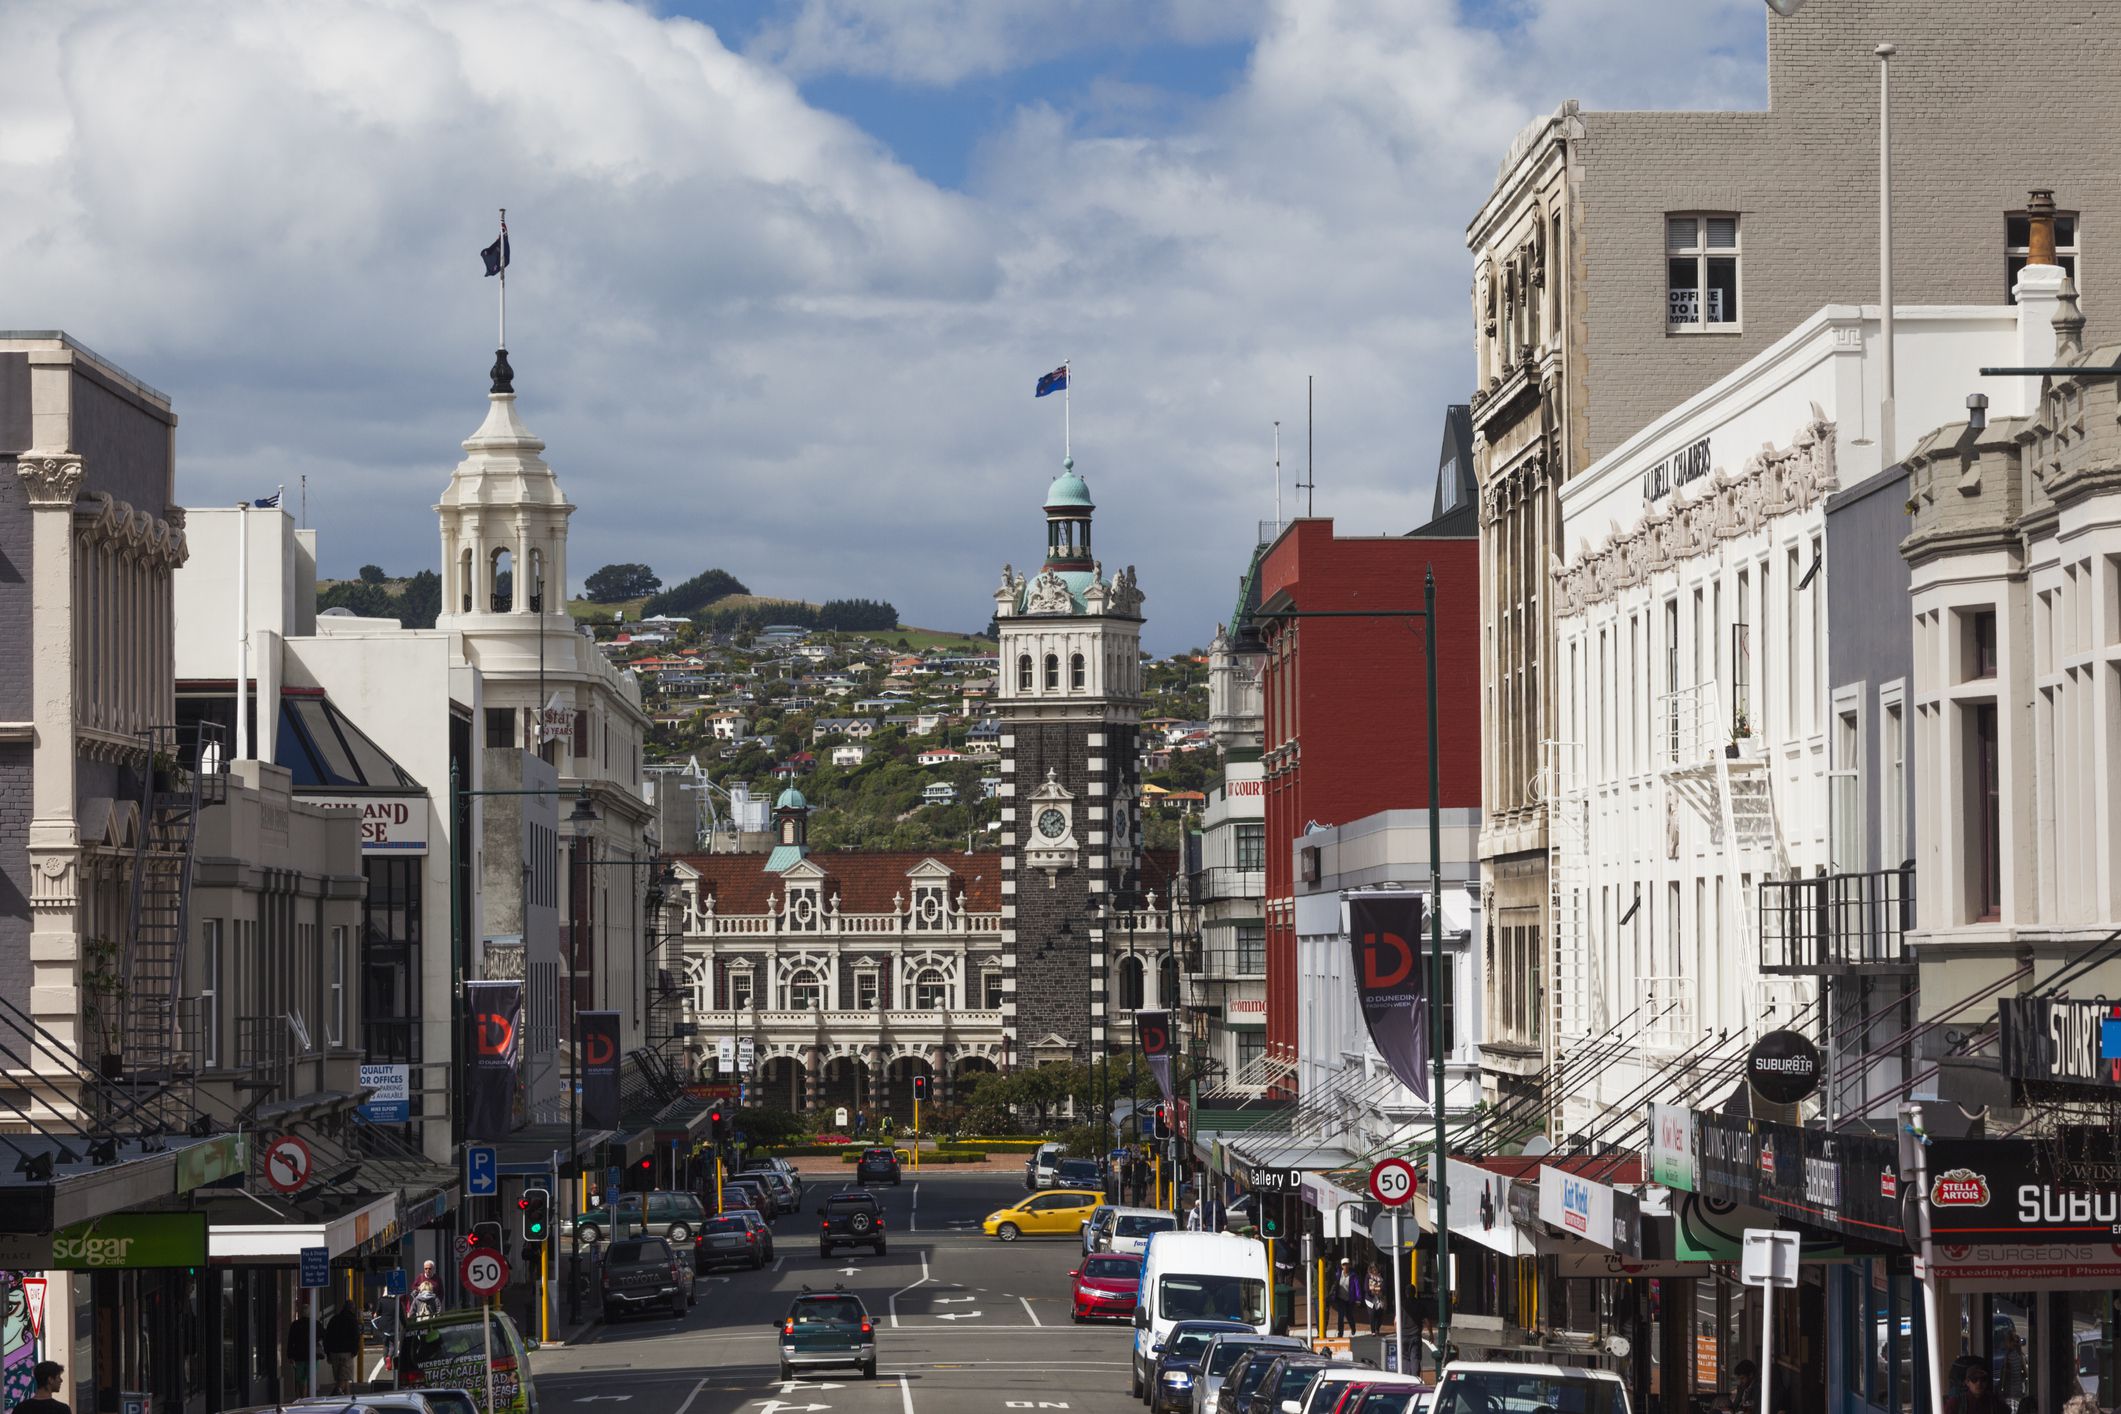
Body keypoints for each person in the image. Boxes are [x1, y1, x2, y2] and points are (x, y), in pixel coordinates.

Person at [322, 1299, 361, 1395]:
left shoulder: (334, 1319)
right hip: (346, 1353)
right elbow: (356, 1337)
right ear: (352, 1309)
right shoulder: (352, 1320)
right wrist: (354, 1351)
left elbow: (327, 1336)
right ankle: (336, 1393)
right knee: (344, 1377)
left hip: (334, 1353)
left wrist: (328, 1353)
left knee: (341, 1378)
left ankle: (347, 1399)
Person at [284, 1309, 313, 1399]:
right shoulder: (314, 1324)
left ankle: (303, 1397)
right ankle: (310, 1396)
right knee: (310, 1377)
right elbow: (322, 1335)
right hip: (311, 1355)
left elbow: (290, 1341)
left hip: (299, 1356)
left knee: (301, 1379)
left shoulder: (295, 1325)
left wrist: (290, 1355)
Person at [1331, 1258, 1364, 1338]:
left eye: (1347, 1264)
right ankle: (1340, 1333)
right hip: (1340, 1299)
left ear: (1349, 1265)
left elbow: (1357, 1288)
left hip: (1349, 1299)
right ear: (1341, 1266)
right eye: (1344, 1264)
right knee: (1341, 1316)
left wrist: (1358, 1299)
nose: (1345, 1266)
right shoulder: (1338, 1274)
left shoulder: (1353, 1276)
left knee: (1349, 1316)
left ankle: (1353, 1327)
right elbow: (1333, 1285)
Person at [1364, 1265, 1386, 1335]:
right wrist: (1372, 1291)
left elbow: (1384, 1287)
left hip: (1380, 1298)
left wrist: (1379, 1290)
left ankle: (1377, 1328)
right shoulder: (1368, 1276)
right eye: (1373, 1269)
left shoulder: (1381, 1277)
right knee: (1372, 1314)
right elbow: (1366, 1288)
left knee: (1380, 1314)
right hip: (1370, 1299)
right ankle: (1373, 1331)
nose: (1374, 1271)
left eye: (1376, 1269)